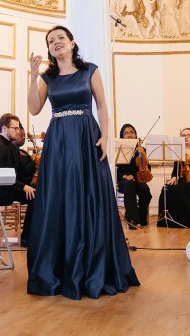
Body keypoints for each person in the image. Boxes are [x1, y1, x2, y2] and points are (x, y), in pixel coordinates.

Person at [26, 25, 139, 300]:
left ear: (72, 43)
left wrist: (105, 136)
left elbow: (101, 106)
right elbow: (34, 108)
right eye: (51, 41)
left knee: (89, 195)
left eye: (60, 38)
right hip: (58, 141)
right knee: (59, 198)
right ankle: (60, 267)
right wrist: (33, 75)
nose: (56, 43)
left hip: (86, 136)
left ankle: (92, 265)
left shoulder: (90, 70)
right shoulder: (48, 77)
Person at [0, 113, 36, 246]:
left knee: (39, 193)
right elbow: (0, 178)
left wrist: (36, 162)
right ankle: (26, 237)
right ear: (4, 129)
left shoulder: (12, 146)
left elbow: (22, 173)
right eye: (15, 128)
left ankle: (32, 235)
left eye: (18, 128)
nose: (18, 131)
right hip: (1, 192)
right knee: (36, 197)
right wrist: (23, 187)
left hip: (11, 188)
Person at [157, 128, 190, 228]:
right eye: (183, 135)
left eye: (189, 135)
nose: (186, 137)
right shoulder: (178, 150)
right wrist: (173, 177)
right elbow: (176, 168)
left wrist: (189, 155)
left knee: (177, 189)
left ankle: (183, 222)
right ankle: (166, 221)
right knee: (166, 189)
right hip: (183, 181)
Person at [116, 124, 152, 229]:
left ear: (135, 135)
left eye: (131, 132)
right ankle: (132, 219)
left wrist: (144, 155)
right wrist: (124, 176)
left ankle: (142, 216)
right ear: (122, 136)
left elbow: (147, 168)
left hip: (137, 179)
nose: (129, 135)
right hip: (122, 180)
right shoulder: (118, 149)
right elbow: (113, 169)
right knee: (129, 184)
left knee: (145, 190)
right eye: (126, 133)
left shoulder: (141, 149)